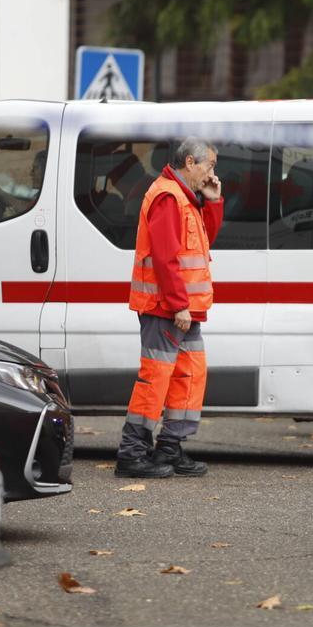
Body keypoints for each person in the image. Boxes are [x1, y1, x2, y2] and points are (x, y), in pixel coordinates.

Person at [115, 137, 223, 478]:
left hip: (183, 309)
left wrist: (214, 200)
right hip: (167, 308)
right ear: (190, 163)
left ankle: (169, 449)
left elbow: (206, 240)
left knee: (190, 375)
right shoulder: (167, 196)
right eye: (209, 166)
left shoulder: (186, 197)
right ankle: (131, 454)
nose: (211, 172)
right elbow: (165, 258)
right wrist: (178, 305)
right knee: (156, 380)